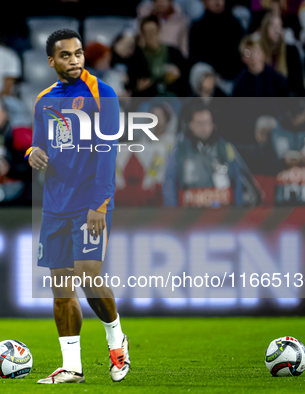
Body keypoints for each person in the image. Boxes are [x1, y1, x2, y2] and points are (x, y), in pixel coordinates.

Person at [27, 29, 130, 384]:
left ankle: (117, 341)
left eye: (79, 54)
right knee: (61, 287)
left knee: (88, 273)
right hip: (55, 205)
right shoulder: (44, 100)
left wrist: (99, 205)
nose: (75, 61)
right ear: (52, 61)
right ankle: (72, 367)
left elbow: (107, 153)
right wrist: (32, 152)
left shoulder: (103, 94)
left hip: (89, 202)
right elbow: (38, 143)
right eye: (66, 55)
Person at [163, 103, 259, 207]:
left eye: (207, 123)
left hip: (223, 215)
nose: (204, 128)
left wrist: (237, 212)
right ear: (190, 124)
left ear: (213, 124)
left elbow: (239, 180)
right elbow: (169, 184)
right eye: (200, 123)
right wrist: (172, 213)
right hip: (189, 215)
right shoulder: (179, 150)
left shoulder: (226, 147)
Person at [131, 15, 189, 97]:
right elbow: (138, 86)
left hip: (171, 95)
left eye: (153, 31)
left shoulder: (173, 52)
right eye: (147, 33)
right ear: (143, 35)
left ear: (159, 31)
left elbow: (184, 75)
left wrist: (177, 75)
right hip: (149, 98)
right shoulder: (138, 56)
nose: (151, 36)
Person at [189, 0, 245, 81]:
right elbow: (195, 58)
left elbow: (242, 52)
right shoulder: (197, 28)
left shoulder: (235, 24)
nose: (218, 1)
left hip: (235, 77)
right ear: (205, 2)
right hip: (208, 79)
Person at [258, 12, 305, 97]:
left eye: (279, 26)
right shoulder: (257, 51)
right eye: (273, 26)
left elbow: (298, 85)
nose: (277, 30)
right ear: (265, 29)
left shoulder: (291, 51)